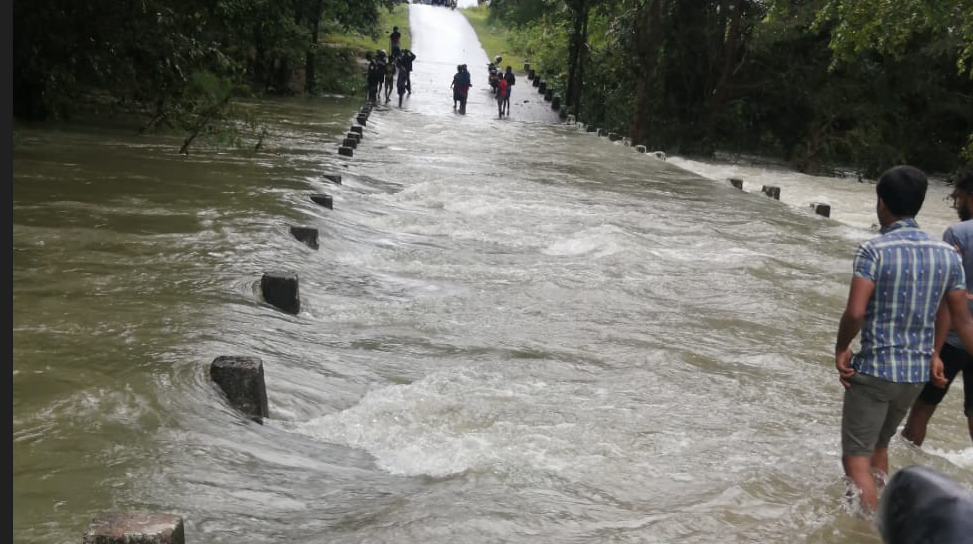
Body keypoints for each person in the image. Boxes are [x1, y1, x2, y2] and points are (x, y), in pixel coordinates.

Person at [833, 164, 973, 515]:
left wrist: (841, 349)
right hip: (914, 375)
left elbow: (855, 312)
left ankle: (869, 531)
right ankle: (888, 517)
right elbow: (960, 318)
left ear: (881, 203)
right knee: (880, 446)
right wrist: (935, 355)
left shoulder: (873, 250)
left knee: (856, 461)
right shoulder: (946, 255)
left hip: (876, 371)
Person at [901, 168, 973, 447]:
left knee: (921, 409)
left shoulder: (957, 234)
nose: (957, 204)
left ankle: (907, 480)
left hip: (952, 340)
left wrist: (934, 350)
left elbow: (943, 294)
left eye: (958, 197)